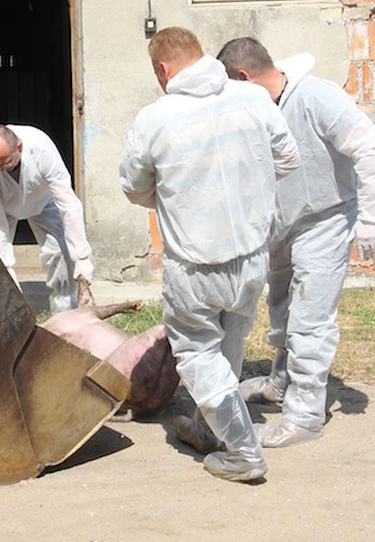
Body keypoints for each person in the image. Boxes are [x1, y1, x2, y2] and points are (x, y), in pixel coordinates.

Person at [119, 27, 301, 482]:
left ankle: (243, 453)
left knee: (199, 355)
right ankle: (210, 429)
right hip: (251, 258)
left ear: (163, 70)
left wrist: (178, 197)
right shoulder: (254, 100)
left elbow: (134, 187)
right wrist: (245, 193)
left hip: (196, 266)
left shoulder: (155, 118)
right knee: (230, 345)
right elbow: (288, 159)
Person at [216, 37, 375, 448]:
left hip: (326, 219)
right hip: (281, 223)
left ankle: (305, 414)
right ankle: (281, 381)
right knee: (282, 308)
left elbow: (372, 151)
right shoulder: (262, 107)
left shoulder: (316, 97)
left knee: (310, 318)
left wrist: (370, 220)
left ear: (244, 77)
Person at [0, 124, 95, 312]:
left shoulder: (41, 149)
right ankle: (4, 317)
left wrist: (82, 256)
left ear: (19, 147)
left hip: (42, 199)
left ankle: (65, 311)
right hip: (1, 206)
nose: (3, 170)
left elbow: (68, 204)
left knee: (60, 252)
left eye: (8, 162)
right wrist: (6, 267)